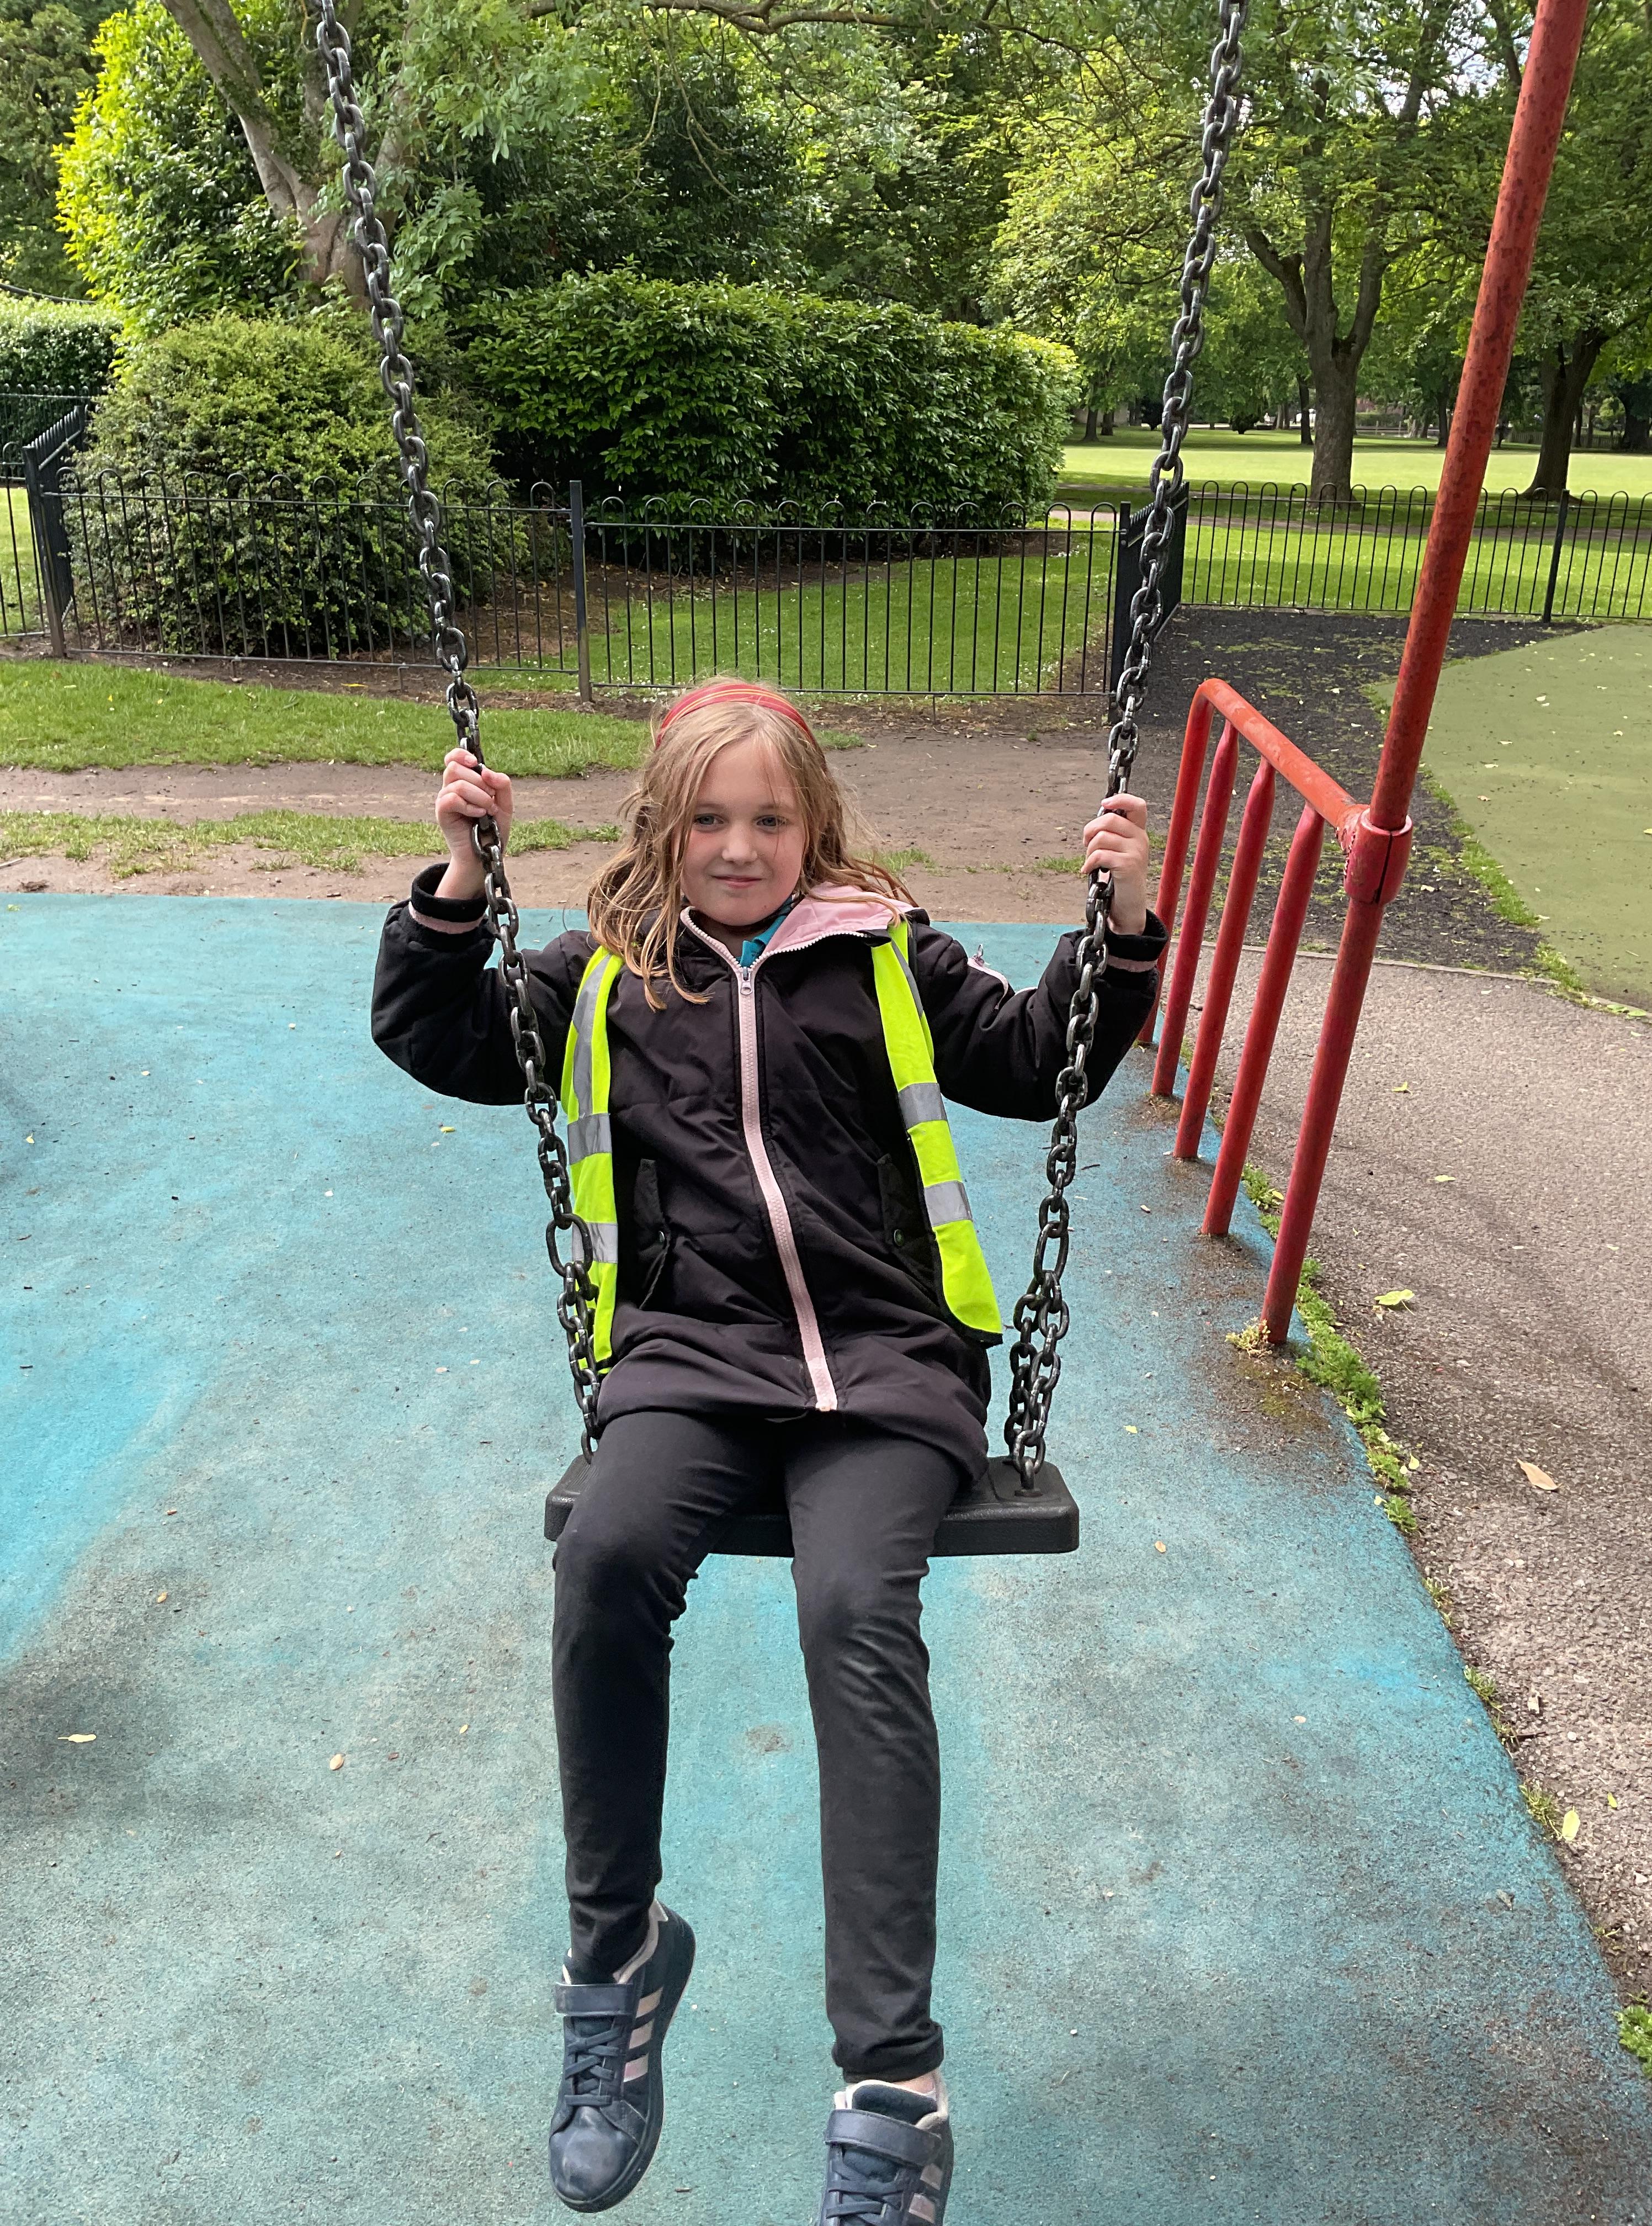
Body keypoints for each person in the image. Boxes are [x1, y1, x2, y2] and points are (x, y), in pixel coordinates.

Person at [370, 679, 1165, 2222]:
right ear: (660, 826)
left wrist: (1119, 926)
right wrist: (463, 883)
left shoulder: (885, 953)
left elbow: (1037, 1061)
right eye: (707, 820)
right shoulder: (605, 971)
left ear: (817, 824)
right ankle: (616, 1960)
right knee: (605, 1558)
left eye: (769, 820)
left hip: (887, 1367)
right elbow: (441, 1037)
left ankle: (892, 2080)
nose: (737, 849)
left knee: (853, 1610)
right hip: (691, 1360)